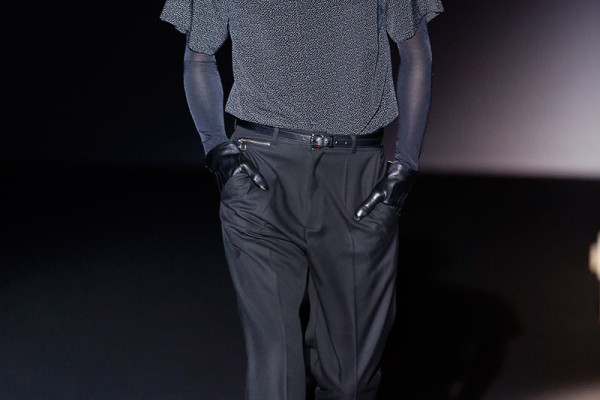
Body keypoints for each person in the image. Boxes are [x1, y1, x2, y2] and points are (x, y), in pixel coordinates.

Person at [160, 0, 443, 398]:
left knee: (352, 380)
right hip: (260, 174)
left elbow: (416, 54)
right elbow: (198, 56)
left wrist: (406, 165)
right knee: (275, 372)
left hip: (356, 179)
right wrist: (217, 149)